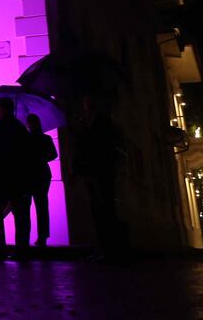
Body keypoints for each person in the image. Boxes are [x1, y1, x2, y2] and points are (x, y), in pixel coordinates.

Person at [71, 95, 127, 261]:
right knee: (97, 210)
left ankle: (109, 248)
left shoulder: (103, 123)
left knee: (105, 209)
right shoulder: (87, 122)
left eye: (88, 103)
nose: (86, 106)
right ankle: (103, 247)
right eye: (85, 103)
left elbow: (100, 145)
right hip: (91, 171)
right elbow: (82, 147)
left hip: (101, 170)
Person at [0, 97, 32, 259]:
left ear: (1, 109)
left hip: (1, 179)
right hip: (19, 179)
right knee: (21, 217)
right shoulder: (20, 128)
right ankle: (22, 250)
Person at [26, 113, 58, 246]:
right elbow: (53, 154)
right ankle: (42, 237)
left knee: (26, 207)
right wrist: (42, 158)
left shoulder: (25, 139)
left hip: (29, 175)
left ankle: (25, 237)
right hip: (42, 174)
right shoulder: (45, 138)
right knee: (42, 206)